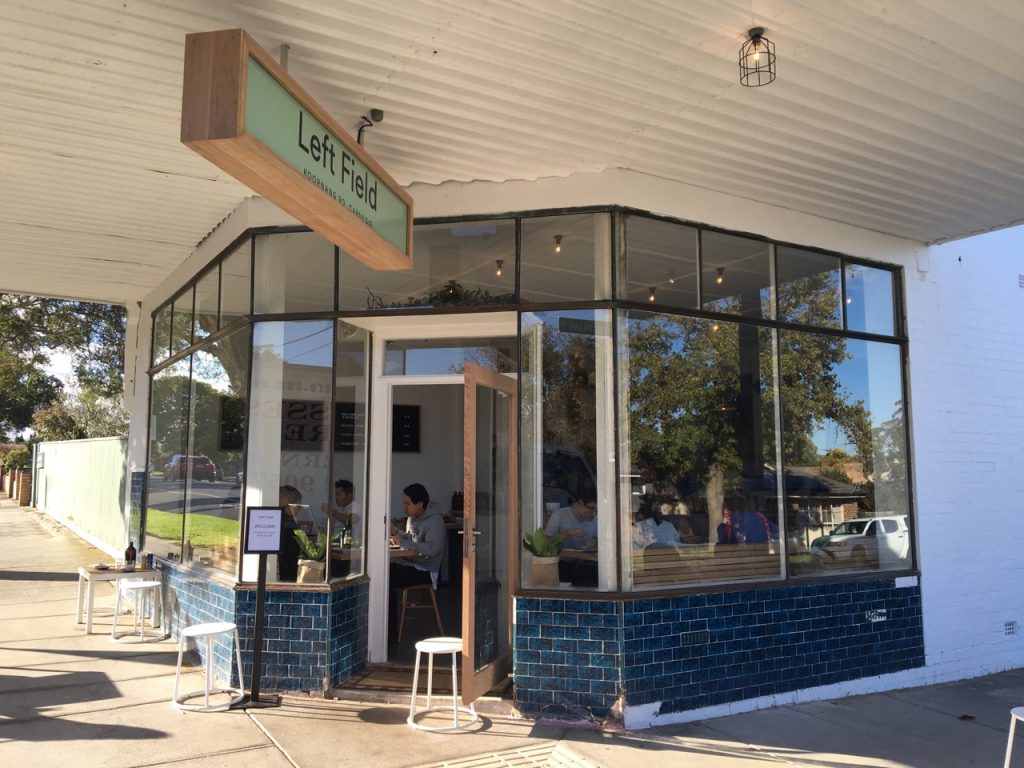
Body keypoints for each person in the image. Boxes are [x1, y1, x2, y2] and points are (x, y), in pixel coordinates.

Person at [388, 483, 445, 643]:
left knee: (388, 580)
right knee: (384, 573)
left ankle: (390, 634)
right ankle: (386, 629)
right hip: (410, 564)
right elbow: (411, 538)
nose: (405, 507)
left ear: (420, 503)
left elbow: (432, 549)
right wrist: (396, 532)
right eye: (404, 503)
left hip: (425, 570)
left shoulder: (435, 521)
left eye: (408, 504)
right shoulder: (412, 518)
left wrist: (403, 543)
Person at [545, 494, 598, 587]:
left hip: (588, 564)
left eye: (597, 510)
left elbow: (601, 541)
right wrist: (567, 533)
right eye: (592, 508)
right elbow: (546, 542)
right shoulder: (560, 514)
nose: (594, 513)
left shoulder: (595, 519)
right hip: (564, 563)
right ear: (580, 503)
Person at [322, 478, 362, 543]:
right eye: (335, 495)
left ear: (349, 495)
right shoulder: (342, 510)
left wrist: (332, 512)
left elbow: (351, 520)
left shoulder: (356, 507)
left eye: (338, 494)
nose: (336, 497)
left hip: (351, 547)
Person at [278, 484, 303, 582]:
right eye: (299, 506)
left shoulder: (276, 518)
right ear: (291, 506)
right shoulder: (289, 527)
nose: (300, 509)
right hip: (287, 574)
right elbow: (292, 556)